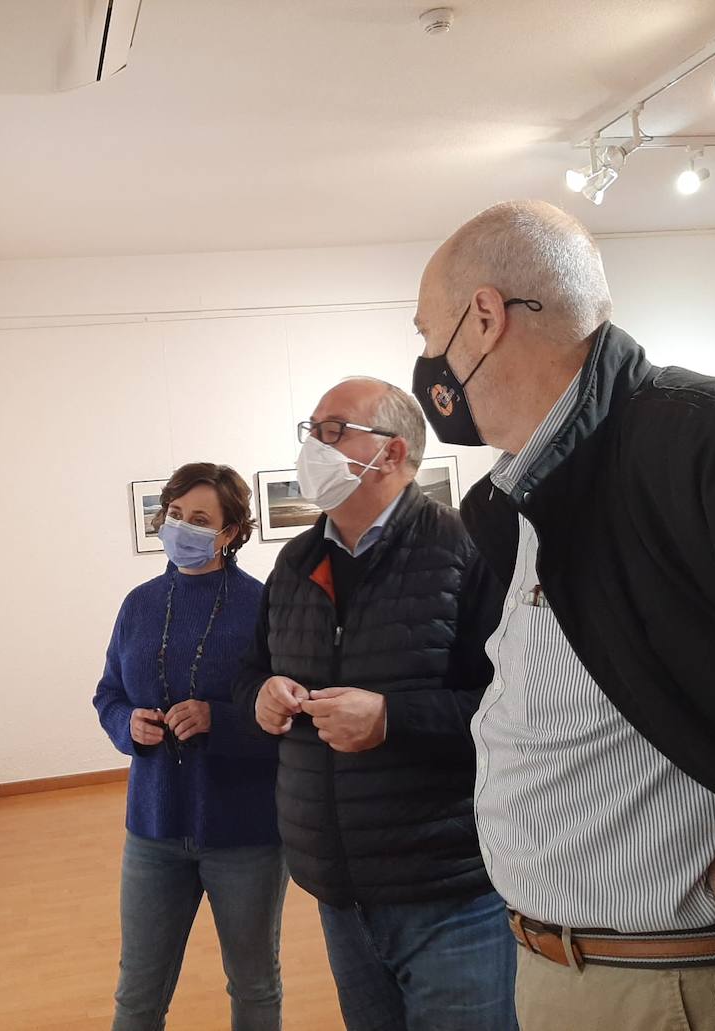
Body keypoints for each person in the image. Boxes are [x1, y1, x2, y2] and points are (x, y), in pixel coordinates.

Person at [411, 199, 715, 1031]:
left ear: (483, 317)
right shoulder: (534, 495)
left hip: (682, 990)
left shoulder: (701, 443)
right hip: (568, 971)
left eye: (428, 334)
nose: (426, 364)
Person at [234, 378, 516, 1031]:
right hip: (337, 887)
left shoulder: (466, 550)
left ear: (391, 452)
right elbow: (251, 671)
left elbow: (517, 706)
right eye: (311, 430)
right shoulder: (295, 563)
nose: (313, 446)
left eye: (333, 431)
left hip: (448, 888)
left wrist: (392, 718)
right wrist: (260, 697)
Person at [93, 462, 286, 1031]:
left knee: (254, 984)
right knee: (137, 993)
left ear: (230, 533)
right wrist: (127, 724)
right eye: (175, 514)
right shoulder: (139, 605)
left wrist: (218, 721)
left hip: (246, 833)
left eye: (200, 519)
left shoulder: (263, 607)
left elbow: (289, 717)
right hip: (152, 830)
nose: (181, 527)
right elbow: (108, 694)